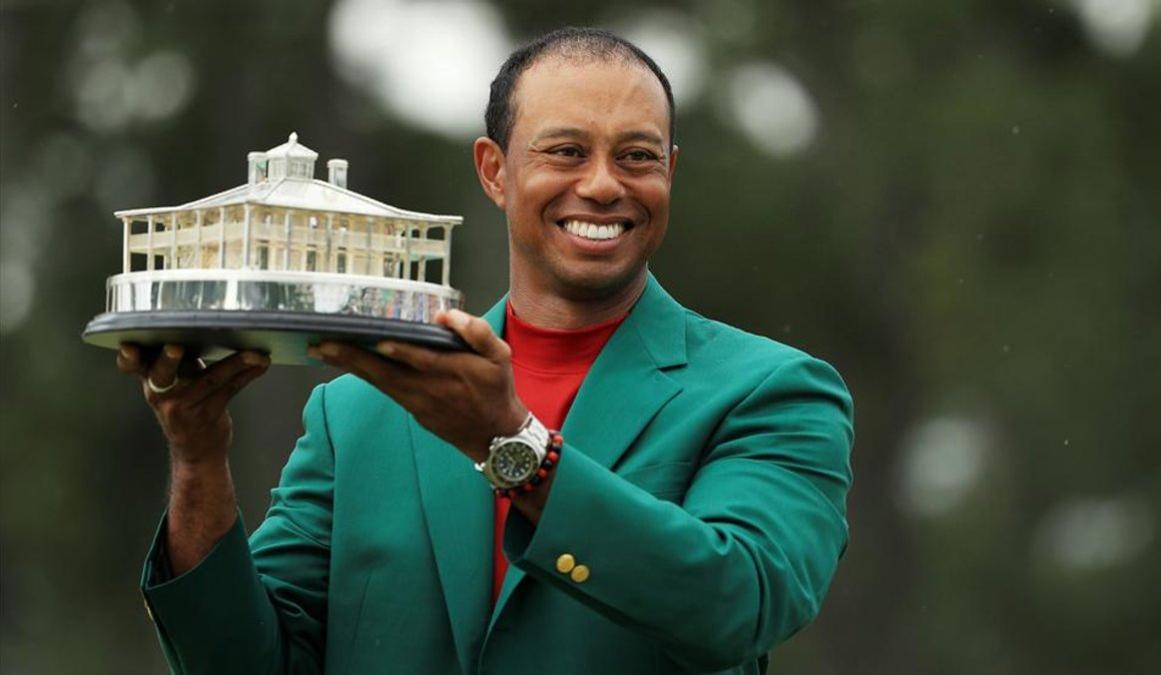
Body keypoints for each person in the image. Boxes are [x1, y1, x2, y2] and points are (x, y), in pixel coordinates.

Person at [118, 27, 854, 675]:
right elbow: (250, 664)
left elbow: (738, 607)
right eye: (566, 150)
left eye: (637, 155)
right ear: (495, 171)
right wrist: (198, 460)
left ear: (670, 172)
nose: (603, 184)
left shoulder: (773, 391)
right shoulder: (354, 411)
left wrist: (511, 443)